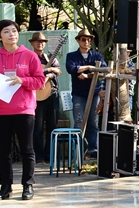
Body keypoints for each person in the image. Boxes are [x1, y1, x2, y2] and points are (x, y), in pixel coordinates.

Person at [0, 20, 45, 200]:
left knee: (27, 149)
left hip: (24, 109)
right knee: (3, 150)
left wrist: (22, 80)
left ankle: (28, 185)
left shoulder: (30, 56)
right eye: (6, 31)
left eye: (14, 31)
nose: (12, 34)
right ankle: (5, 187)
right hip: (1, 110)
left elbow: (40, 81)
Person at [66, 29, 105, 158]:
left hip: (94, 93)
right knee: (79, 122)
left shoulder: (97, 55)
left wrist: (87, 74)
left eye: (89, 39)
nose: (86, 42)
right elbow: (71, 69)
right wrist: (91, 67)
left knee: (94, 123)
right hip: (79, 94)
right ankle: (78, 151)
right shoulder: (71, 56)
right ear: (78, 41)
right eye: (83, 39)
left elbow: (103, 71)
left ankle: (93, 150)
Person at [29, 32, 62, 164]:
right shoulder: (30, 58)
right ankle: (38, 155)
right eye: (37, 41)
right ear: (32, 43)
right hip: (37, 96)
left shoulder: (50, 58)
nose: (40, 43)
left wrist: (47, 76)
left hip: (52, 94)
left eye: (42, 41)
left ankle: (51, 155)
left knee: (52, 126)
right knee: (37, 127)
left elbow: (58, 71)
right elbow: (30, 73)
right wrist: (48, 71)